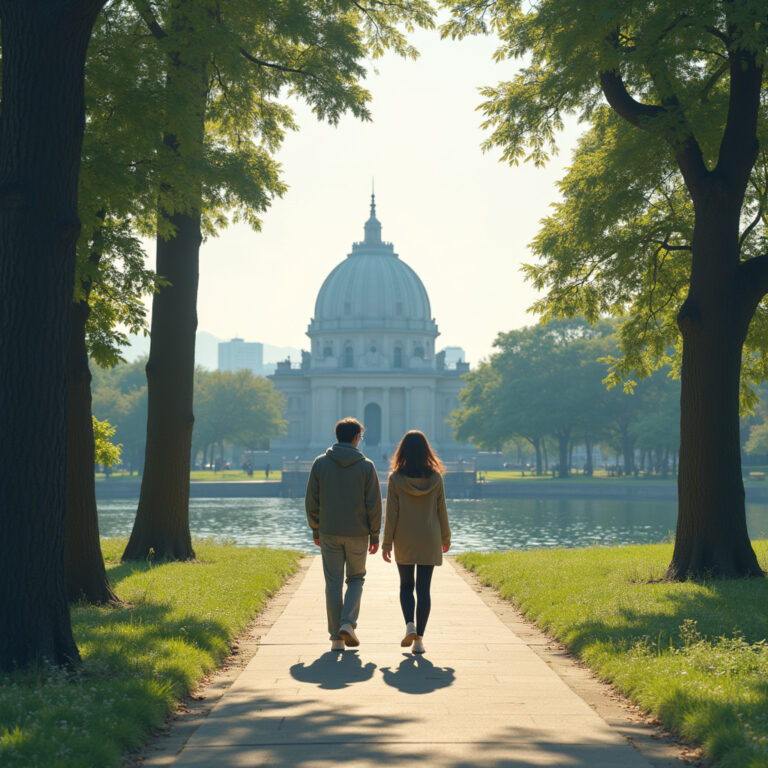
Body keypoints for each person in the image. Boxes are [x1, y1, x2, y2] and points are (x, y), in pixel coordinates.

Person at [306, 418, 382, 652]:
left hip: (329, 531)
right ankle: (347, 623)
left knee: (333, 582)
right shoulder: (366, 466)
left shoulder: (320, 463)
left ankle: (336, 638)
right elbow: (374, 505)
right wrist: (375, 535)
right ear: (356, 437)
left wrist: (316, 529)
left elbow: (311, 501)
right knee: (356, 579)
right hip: (358, 532)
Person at [382, 430, 451, 654]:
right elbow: (442, 511)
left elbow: (391, 514)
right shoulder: (436, 478)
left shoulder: (396, 479)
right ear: (426, 452)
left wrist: (386, 544)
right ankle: (419, 640)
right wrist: (446, 538)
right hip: (429, 537)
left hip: (404, 537)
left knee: (405, 586)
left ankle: (409, 624)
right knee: (424, 589)